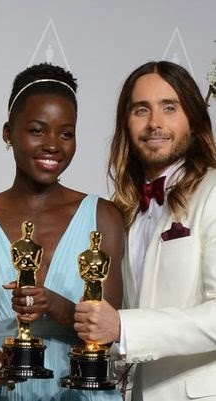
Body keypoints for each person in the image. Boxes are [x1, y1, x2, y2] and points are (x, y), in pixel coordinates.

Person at [0, 63, 124, 400]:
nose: (53, 145)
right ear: (8, 133)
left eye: (66, 134)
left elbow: (110, 331)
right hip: (3, 390)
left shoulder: (103, 216)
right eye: (37, 130)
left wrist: (54, 304)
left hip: (80, 392)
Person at [74, 61, 216, 401]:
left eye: (169, 108)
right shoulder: (124, 210)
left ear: (193, 120)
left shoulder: (213, 192)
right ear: (126, 123)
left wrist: (124, 327)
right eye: (141, 110)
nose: (154, 123)